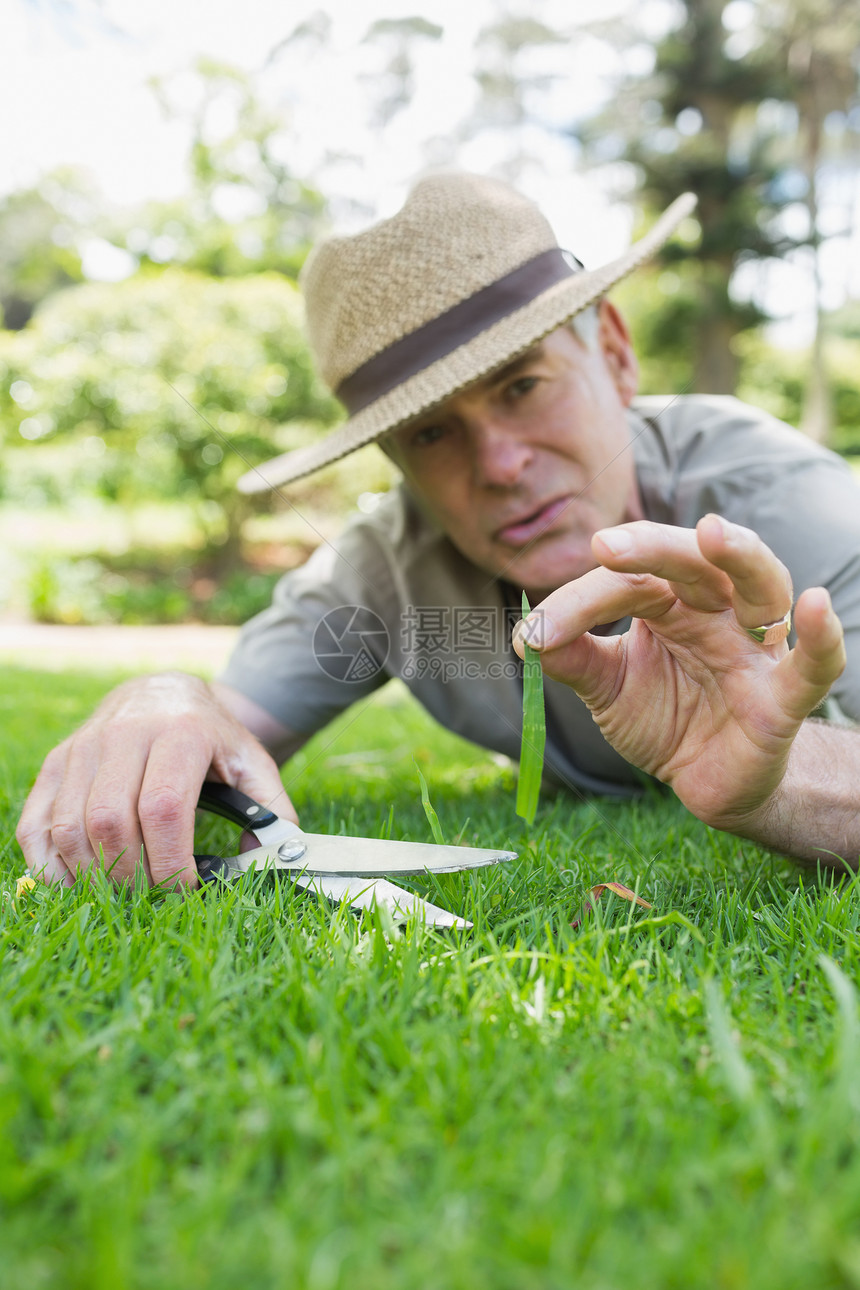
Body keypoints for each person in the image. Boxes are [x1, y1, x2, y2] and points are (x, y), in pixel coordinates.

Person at [17, 172, 859, 888]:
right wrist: (159, 697)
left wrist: (776, 781)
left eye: (522, 385)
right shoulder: (386, 573)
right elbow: (224, 716)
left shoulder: (784, 513)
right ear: (394, 459)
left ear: (613, 351)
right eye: (429, 432)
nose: (496, 464)